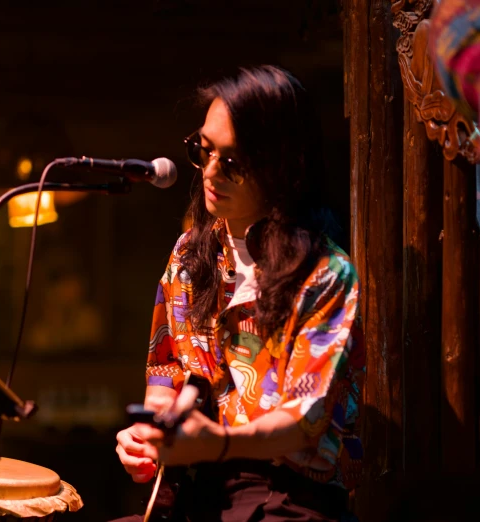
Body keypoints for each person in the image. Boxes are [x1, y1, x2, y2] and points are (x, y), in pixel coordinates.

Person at [114, 66, 365, 522]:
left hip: (289, 497)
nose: (210, 173)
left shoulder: (325, 274)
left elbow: (304, 419)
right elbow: (166, 368)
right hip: (199, 489)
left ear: (282, 166)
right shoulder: (190, 254)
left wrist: (218, 443)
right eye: (204, 151)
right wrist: (147, 435)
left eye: (232, 162)